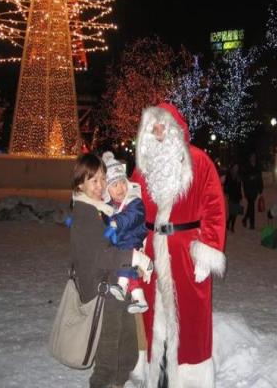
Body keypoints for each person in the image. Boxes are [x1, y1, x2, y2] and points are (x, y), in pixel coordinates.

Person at [130, 103, 226, 388]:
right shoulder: (143, 168)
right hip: (151, 252)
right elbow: (133, 208)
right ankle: (157, 375)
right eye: (153, 127)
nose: (158, 131)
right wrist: (135, 244)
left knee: (189, 320)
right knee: (152, 316)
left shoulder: (199, 161)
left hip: (186, 254)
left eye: (162, 125)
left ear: (174, 127)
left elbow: (214, 209)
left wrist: (207, 251)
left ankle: (187, 379)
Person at [69, 153, 138, 388]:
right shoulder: (85, 213)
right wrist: (134, 258)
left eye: (103, 178)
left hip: (112, 285)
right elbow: (101, 257)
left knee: (125, 345)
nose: (101, 185)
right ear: (80, 184)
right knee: (108, 355)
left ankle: (120, 380)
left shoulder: (99, 208)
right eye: (94, 180)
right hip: (102, 290)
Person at [101, 151, 153, 314]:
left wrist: (117, 222)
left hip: (134, 239)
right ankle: (139, 299)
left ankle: (122, 286)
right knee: (126, 267)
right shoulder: (109, 206)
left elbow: (133, 217)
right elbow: (106, 223)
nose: (121, 188)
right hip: (121, 243)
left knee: (125, 256)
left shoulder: (134, 201)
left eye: (123, 182)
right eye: (114, 185)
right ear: (107, 190)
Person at [241, 153, 263, 229]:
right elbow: (243, 178)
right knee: (252, 205)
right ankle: (252, 224)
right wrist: (250, 178)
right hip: (248, 189)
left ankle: (245, 219)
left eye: (254, 157)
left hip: (255, 189)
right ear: (249, 158)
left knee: (250, 205)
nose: (253, 158)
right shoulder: (246, 167)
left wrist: (260, 189)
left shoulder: (258, 166)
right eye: (252, 157)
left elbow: (260, 178)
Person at [224, 163, 242, 232]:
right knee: (231, 212)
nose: (236, 169)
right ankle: (228, 223)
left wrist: (240, 196)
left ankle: (232, 226)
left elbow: (239, 187)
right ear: (232, 168)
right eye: (235, 167)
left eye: (237, 167)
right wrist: (226, 192)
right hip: (231, 195)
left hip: (237, 195)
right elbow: (226, 185)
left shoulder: (238, 176)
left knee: (235, 212)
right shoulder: (229, 175)